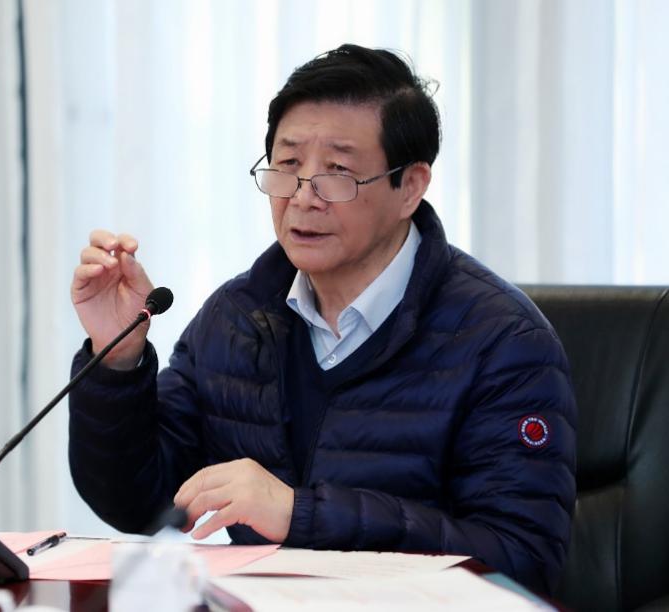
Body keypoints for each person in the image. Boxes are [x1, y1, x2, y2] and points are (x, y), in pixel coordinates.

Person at [68, 44, 576, 595]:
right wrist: (116, 359)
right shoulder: (236, 318)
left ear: (410, 187)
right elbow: (140, 501)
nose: (304, 197)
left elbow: (521, 560)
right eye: (287, 166)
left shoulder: (503, 342)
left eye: (338, 171)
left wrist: (300, 514)